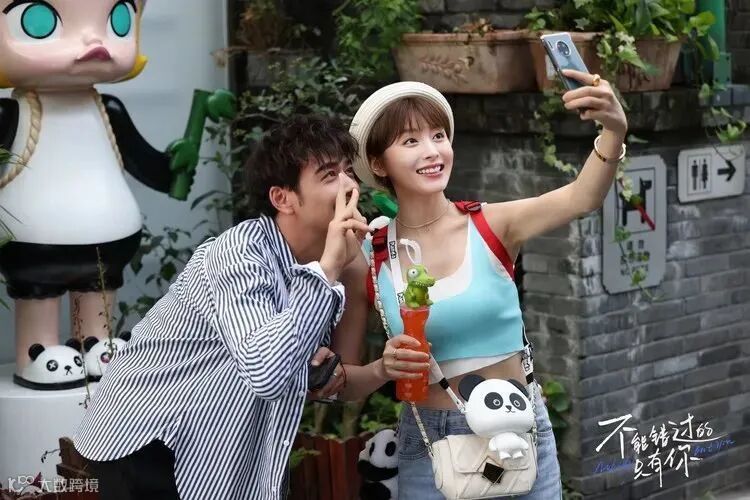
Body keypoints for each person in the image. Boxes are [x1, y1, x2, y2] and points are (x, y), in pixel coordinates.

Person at [331, 71, 628, 498]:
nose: (432, 150)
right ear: (379, 164)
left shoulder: (491, 224)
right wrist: (382, 368)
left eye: (438, 135)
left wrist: (614, 130)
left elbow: (582, 197)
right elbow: (342, 383)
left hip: (517, 431)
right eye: (410, 141)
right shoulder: (370, 252)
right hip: (430, 442)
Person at [73, 115, 371, 500]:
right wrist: (329, 269)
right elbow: (267, 373)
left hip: (214, 452)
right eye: (330, 175)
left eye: (349, 171)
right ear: (282, 198)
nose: (349, 186)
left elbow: (326, 376)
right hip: (148, 439)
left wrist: (348, 274)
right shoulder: (239, 254)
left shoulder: (322, 262)